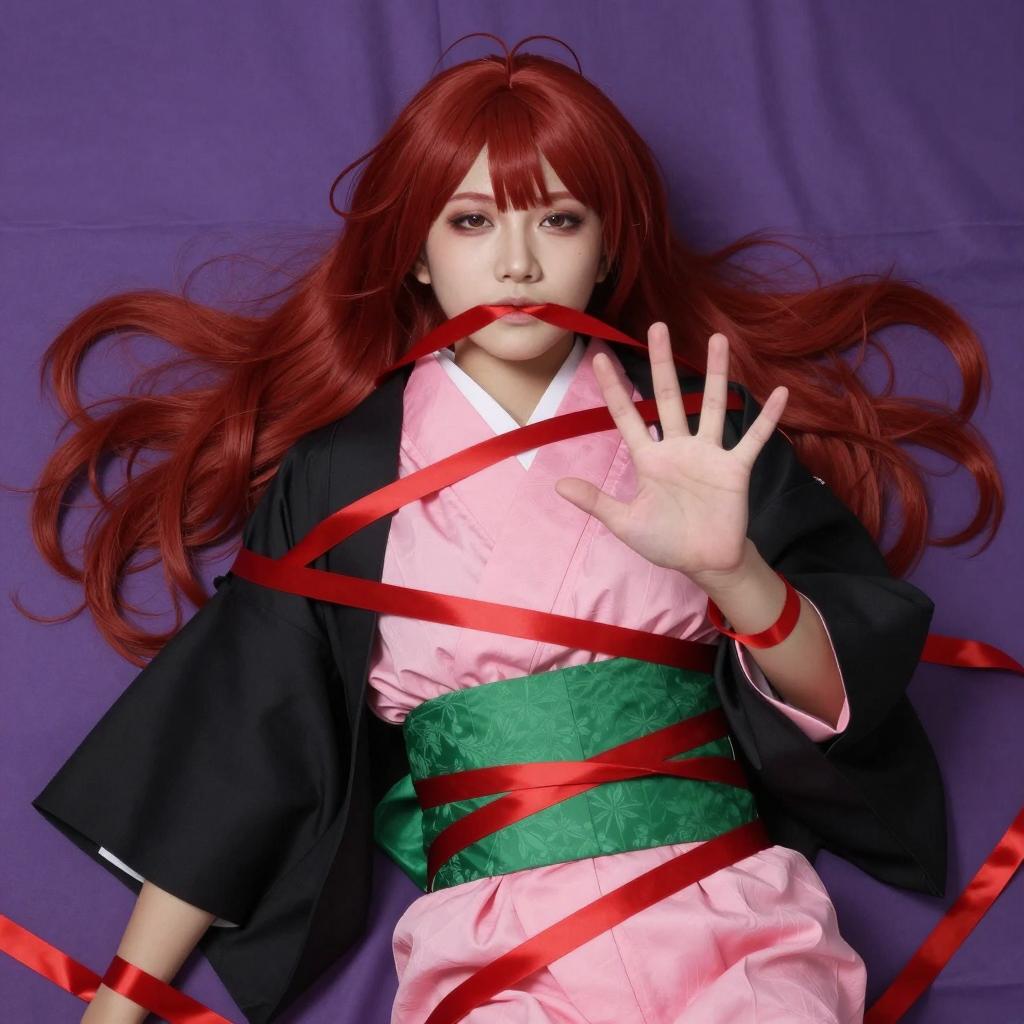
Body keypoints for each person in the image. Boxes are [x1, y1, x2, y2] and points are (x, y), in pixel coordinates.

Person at [22, 33, 1004, 1024]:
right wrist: (117, 1006)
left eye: (560, 219)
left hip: (731, 919)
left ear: (607, 246)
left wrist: (732, 570)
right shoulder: (340, 475)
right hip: (496, 950)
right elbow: (244, 744)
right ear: (415, 250)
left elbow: (843, 698)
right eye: (472, 220)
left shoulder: (698, 432)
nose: (519, 260)